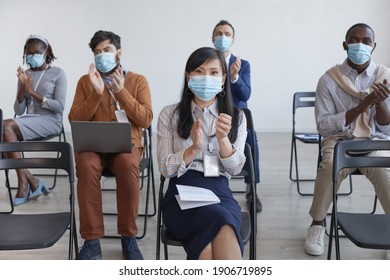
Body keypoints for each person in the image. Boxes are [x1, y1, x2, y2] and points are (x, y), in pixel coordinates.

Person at [304, 23, 390, 259]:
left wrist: (381, 103)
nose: (360, 45)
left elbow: (387, 127)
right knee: (330, 166)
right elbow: (323, 126)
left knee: (385, 171)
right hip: (341, 139)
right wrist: (360, 108)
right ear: (345, 45)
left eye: (366, 41)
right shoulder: (329, 79)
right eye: (354, 40)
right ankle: (317, 224)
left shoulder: (385, 76)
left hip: (374, 140)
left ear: (373, 46)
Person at [68, 30, 153, 260]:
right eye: (97, 52)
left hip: (127, 147)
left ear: (119, 53)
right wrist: (96, 94)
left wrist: (120, 91)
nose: (102, 55)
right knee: (85, 164)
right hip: (93, 148)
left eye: (106, 50)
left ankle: (129, 237)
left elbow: (145, 119)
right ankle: (92, 241)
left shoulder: (138, 80)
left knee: (126, 164)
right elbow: (74, 119)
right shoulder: (85, 82)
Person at [157, 47, 247, 260]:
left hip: (219, 191)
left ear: (223, 79)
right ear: (188, 76)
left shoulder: (236, 116)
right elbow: (164, 168)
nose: (206, 77)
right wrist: (193, 149)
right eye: (199, 71)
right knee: (221, 221)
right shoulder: (169, 115)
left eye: (214, 72)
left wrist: (223, 139)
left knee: (207, 245)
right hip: (181, 193)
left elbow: (235, 168)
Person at [3, 35, 66, 206]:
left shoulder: (58, 74)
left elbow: (59, 107)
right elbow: (19, 110)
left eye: (37, 52)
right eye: (29, 53)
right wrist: (22, 87)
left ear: (46, 52)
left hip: (51, 121)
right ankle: (30, 180)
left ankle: (25, 183)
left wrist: (33, 93)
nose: (33, 56)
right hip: (28, 120)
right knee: (3, 130)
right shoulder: (26, 74)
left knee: (5, 126)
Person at [212, 20, 262, 212]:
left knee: (252, 139)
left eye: (226, 34)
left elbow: (246, 95)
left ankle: (252, 188)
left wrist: (234, 77)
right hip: (213, 115)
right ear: (212, 37)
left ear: (233, 39)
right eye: (219, 33)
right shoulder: (206, 62)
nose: (222, 37)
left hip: (237, 118)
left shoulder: (243, 65)